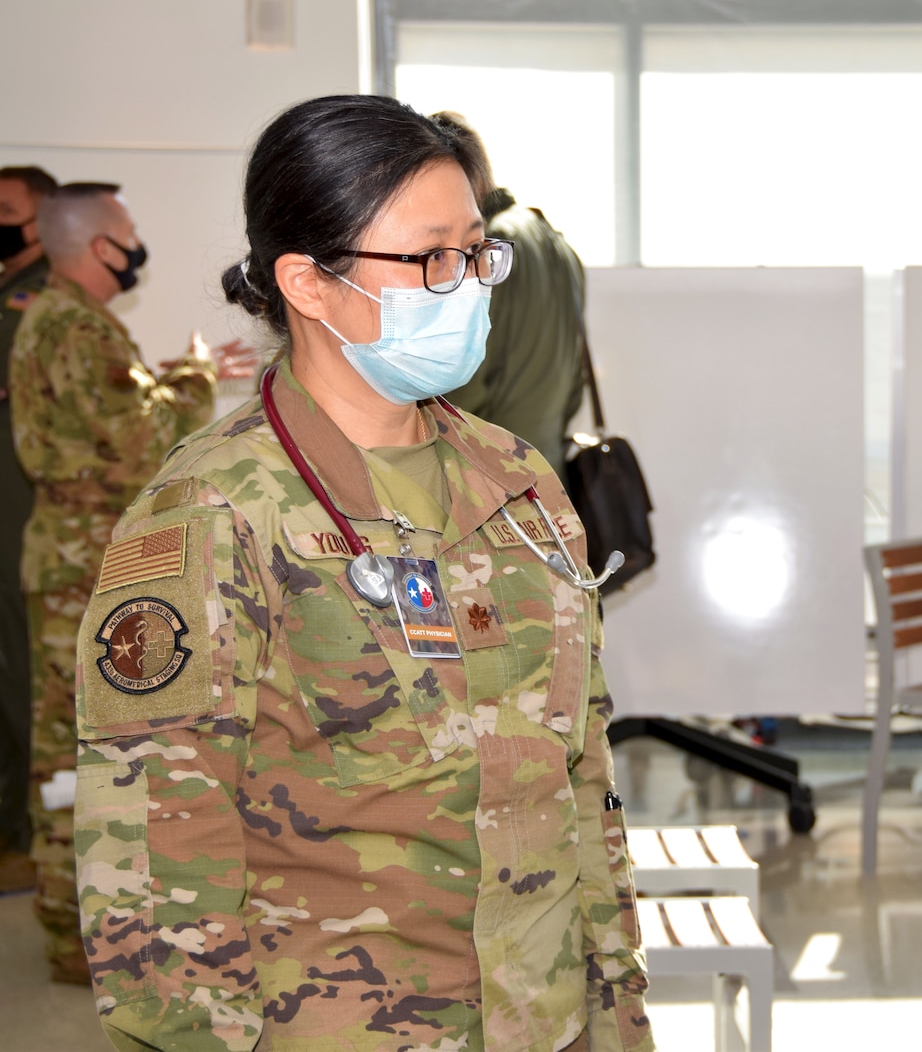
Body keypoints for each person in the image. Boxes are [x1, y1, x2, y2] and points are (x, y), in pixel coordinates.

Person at [73, 94, 652, 1051]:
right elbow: (155, 849)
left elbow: (579, 780)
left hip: (542, 1019)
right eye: (430, 259)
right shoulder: (217, 510)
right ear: (306, 281)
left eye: (476, 253)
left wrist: (615, 1016)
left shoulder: (518, 483)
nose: (466, 284)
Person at [10, 181, 222, 983]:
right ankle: (76, 932)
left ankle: (77, 920)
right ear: (98, 246)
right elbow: (138, 443)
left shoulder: (62, 319)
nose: (135, 248)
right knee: (80, 748)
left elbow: (102, 419)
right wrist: (197, 378)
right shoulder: (76, 326)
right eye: (127, 235)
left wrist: (171, 377)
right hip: (82, 567)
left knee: (80, 743)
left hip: (74, 559)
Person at [430, 111, 588, 473]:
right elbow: (575, 381)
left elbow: (467, 376)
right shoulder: (557, 243)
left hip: (491, 471)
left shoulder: (488, 249)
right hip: (546, 468)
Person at [0, 165, 57, 891]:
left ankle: (27, 834)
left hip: (23, 511)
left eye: (8, 210)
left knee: (22, 670)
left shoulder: (37, 298)